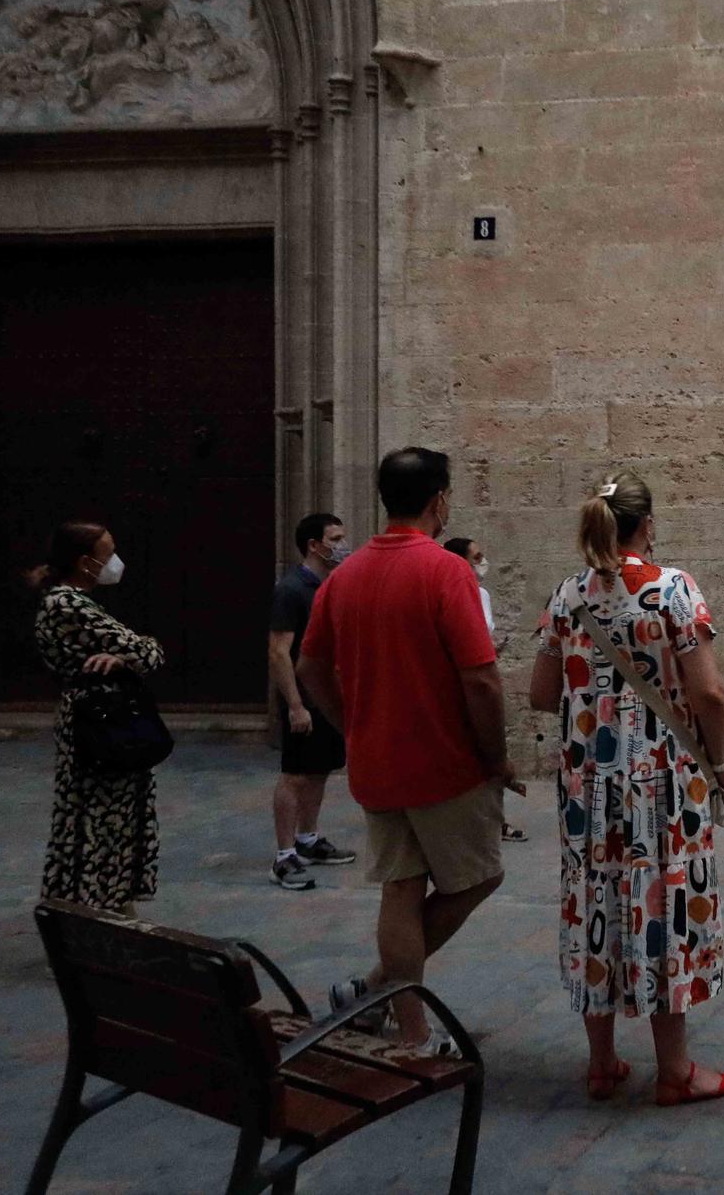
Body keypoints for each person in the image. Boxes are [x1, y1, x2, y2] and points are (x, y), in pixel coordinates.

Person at [530, 473, 724, 1106]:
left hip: (586, 786)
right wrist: (720, 758)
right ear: (646, 524)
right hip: (662, 784)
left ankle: (601, 1064)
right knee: (661, 903)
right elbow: (708, 693)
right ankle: (674, 1070)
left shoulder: (568, 595)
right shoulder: (671, 590)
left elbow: (542, 694)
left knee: (597, 902)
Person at [299, 448, 520, 1054]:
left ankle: (401, 1022)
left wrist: (350, 724)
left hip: (377, 763)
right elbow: (481, 678)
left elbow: (310, 665)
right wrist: (494, 757)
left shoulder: (344, 576)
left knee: (400, 889)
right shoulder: (446, 571)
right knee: (479, 876)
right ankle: (384, 998)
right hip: (444, 764)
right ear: (439, 499)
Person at [34, 521, 165, 914]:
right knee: (98, 820)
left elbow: (141, 652)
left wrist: (128, 655)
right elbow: (148, 652)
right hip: (98, 723)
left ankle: (111, 906)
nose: (114, 561)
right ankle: (94, 910)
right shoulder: (67, 604)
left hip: (107, 717)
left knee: (115, 817)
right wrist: (135, 653)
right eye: (107, 554)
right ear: (84, 562)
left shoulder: (77, 601)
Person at [268, 512, 358, 891]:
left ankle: (308, 838)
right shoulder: (291, 589)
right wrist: (295, 705)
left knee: (319, 769)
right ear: (313, 545)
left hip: (328, 697)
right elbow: (278, 651)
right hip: (303, 700)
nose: (342, 544)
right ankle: (284, 856)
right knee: (295, 773)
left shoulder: (332, 586)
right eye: (335, 538)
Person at [444, 536, 526, 843]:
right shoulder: (450, 595)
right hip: (461, 688)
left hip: (481, 677)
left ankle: (495, 820)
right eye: (476, 557)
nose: (482, 563)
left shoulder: (483, 595)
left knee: (491, 753)